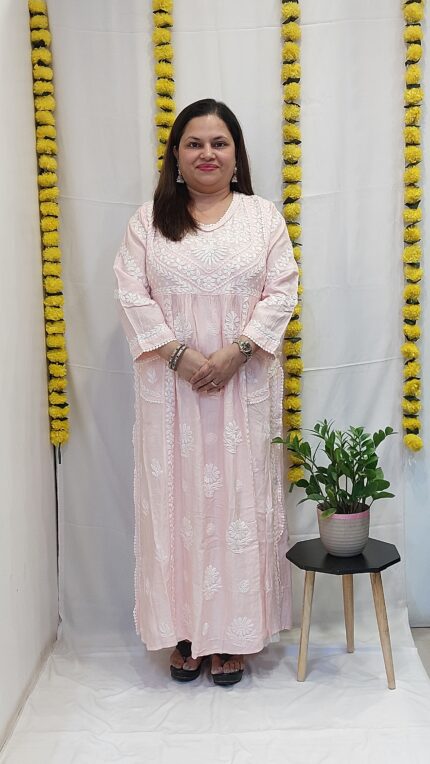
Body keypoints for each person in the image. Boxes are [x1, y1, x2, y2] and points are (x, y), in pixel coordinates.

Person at [114, 98, 299, 686]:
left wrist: (236, 352)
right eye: (194, 143)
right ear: (176, 155)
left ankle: (234, 635)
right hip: (171, 393)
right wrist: (180, 355)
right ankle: (185, 631)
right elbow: (131, 293)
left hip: (243, 389)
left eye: (219, 143)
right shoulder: (149, 221)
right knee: (178, 505)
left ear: (237, 155)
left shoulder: (263, 218)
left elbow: (282, 291)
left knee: (238, 505)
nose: (207, 154)